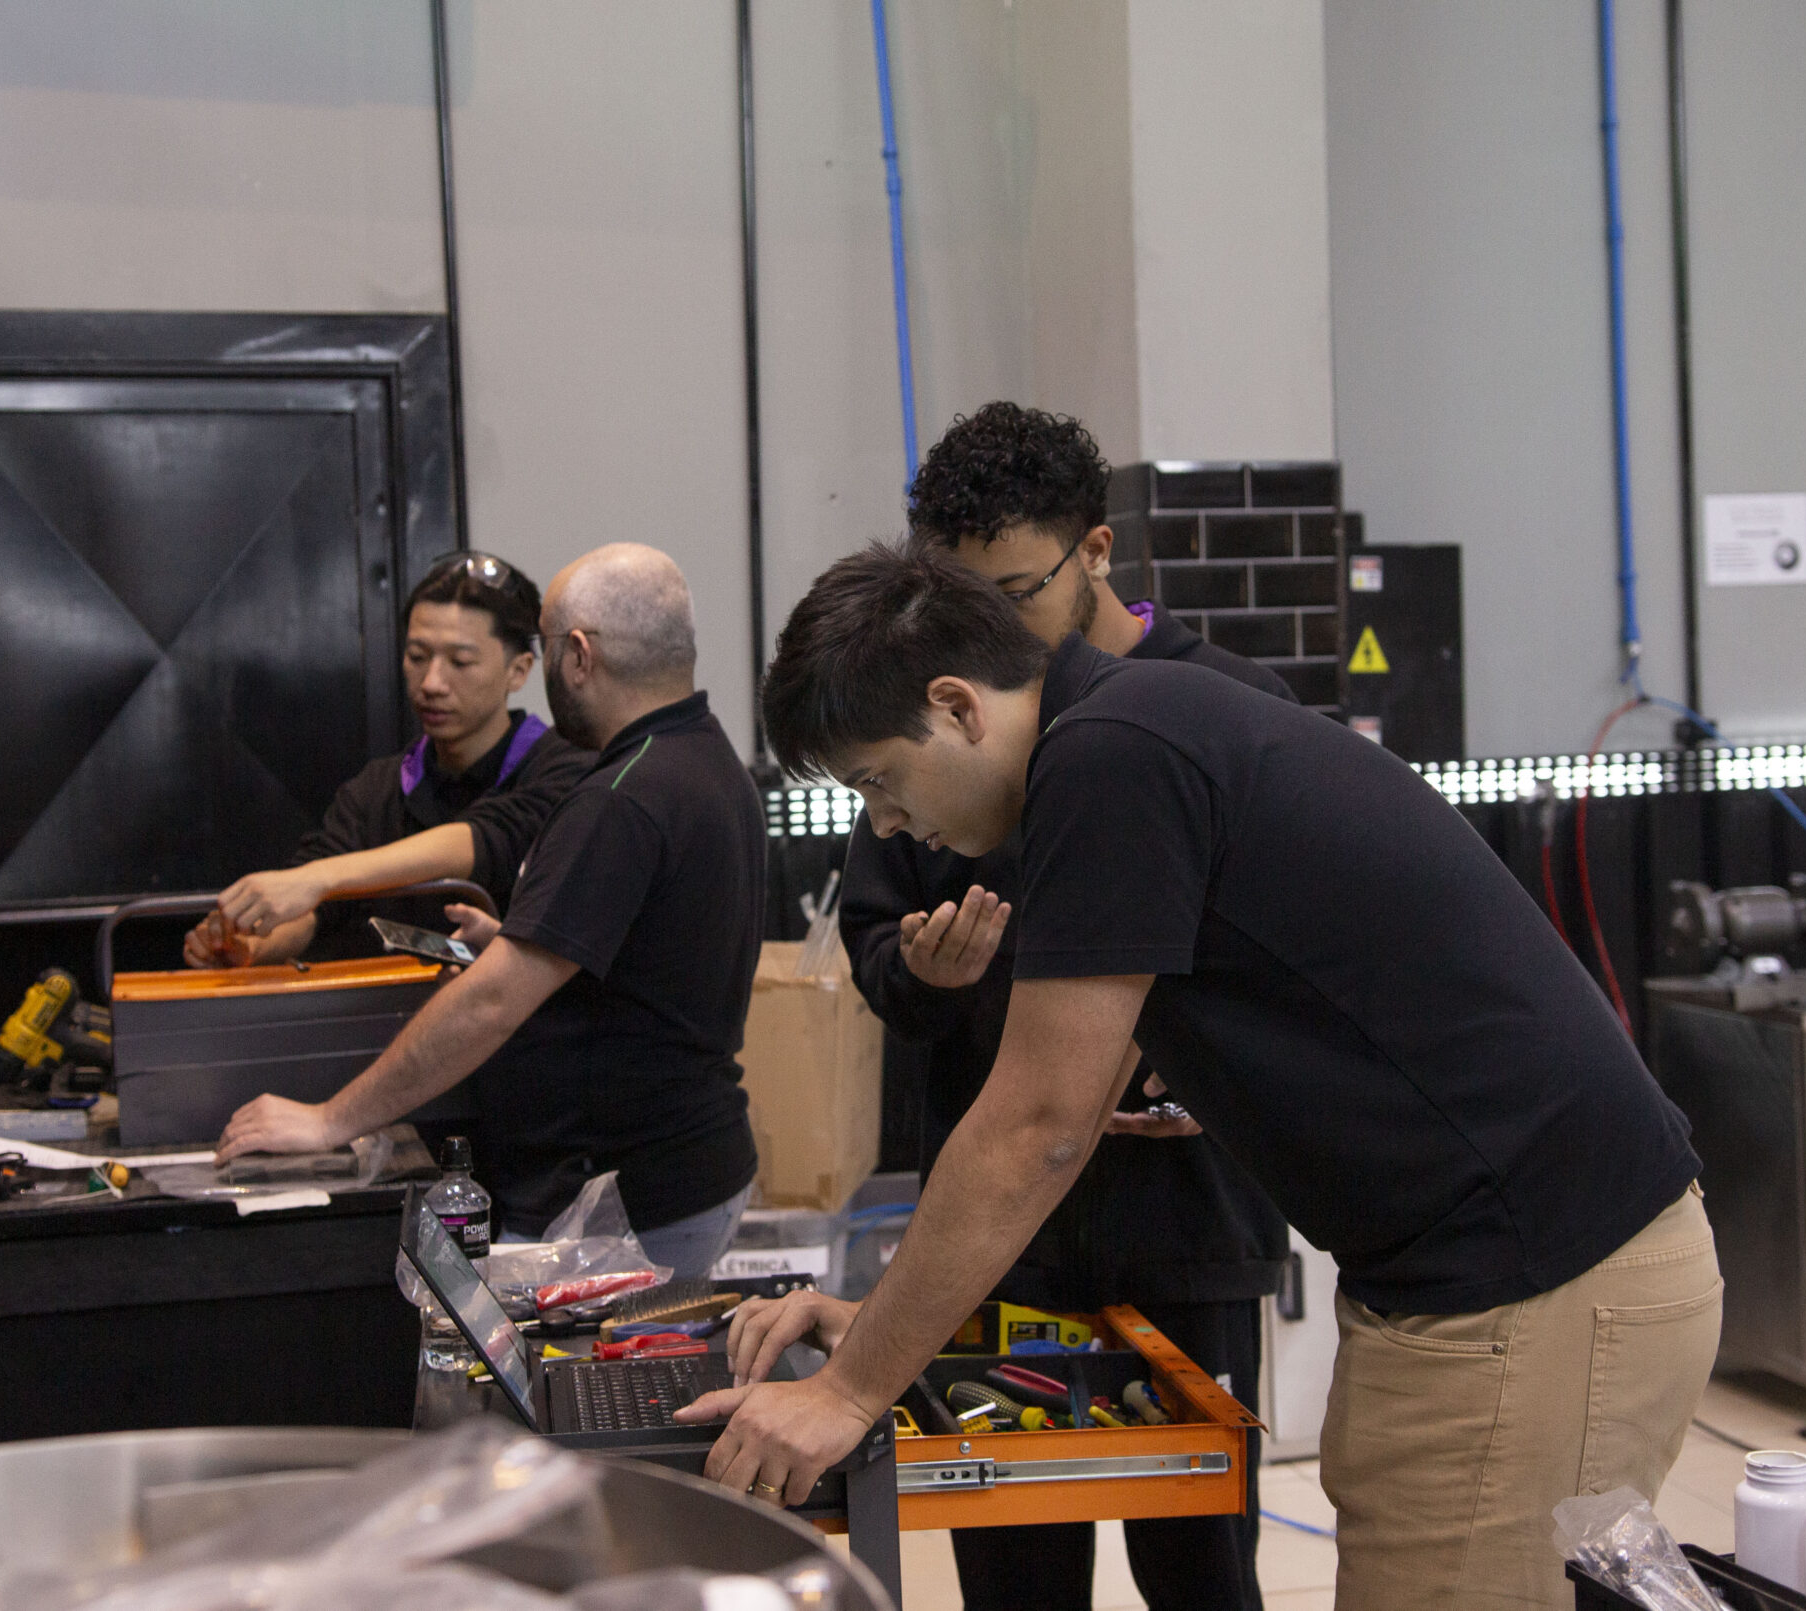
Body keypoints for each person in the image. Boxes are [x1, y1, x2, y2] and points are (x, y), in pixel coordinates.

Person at [682, 540, 1722, 1611]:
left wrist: (852, 1392)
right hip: (1475, 1273)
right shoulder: (1135, 732)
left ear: (955, 706)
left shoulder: (1111, 758)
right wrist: (897, 1314)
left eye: (878, 783)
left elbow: (1040, 1122)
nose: (886, 826)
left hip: (1542, 1272)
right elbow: (1083, 1082)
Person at [837, 403, 1294, 1611]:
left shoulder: (1225, 710)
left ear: (1097, 550)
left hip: (1185, 1225)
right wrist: (922, 977)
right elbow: (873, 939)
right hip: (1003, 1230)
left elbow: (1278, 980)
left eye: (1015, 591)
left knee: (1200, 1567)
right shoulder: (946, 722)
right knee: (1014, 1566)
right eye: (956, 602)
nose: (988, 636)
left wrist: (1204, 1065)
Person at [219, 544, 766, 1278]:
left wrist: (331, 1118)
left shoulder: (619, 795)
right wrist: (514, 936)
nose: (433, 680)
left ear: (575, 655)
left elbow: (492, 1002)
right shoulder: (700, 756)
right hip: (680, 1171)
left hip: (631, 1197)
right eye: (417, 655)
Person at [184, 551, 589, 968]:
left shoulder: (566, 766)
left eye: (460, 662)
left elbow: (483, 837)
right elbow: (314, 907)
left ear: (518, 672)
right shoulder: (376, 788)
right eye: (417, 657)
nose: (432, 683)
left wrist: (318, 880)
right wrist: (254, 947)